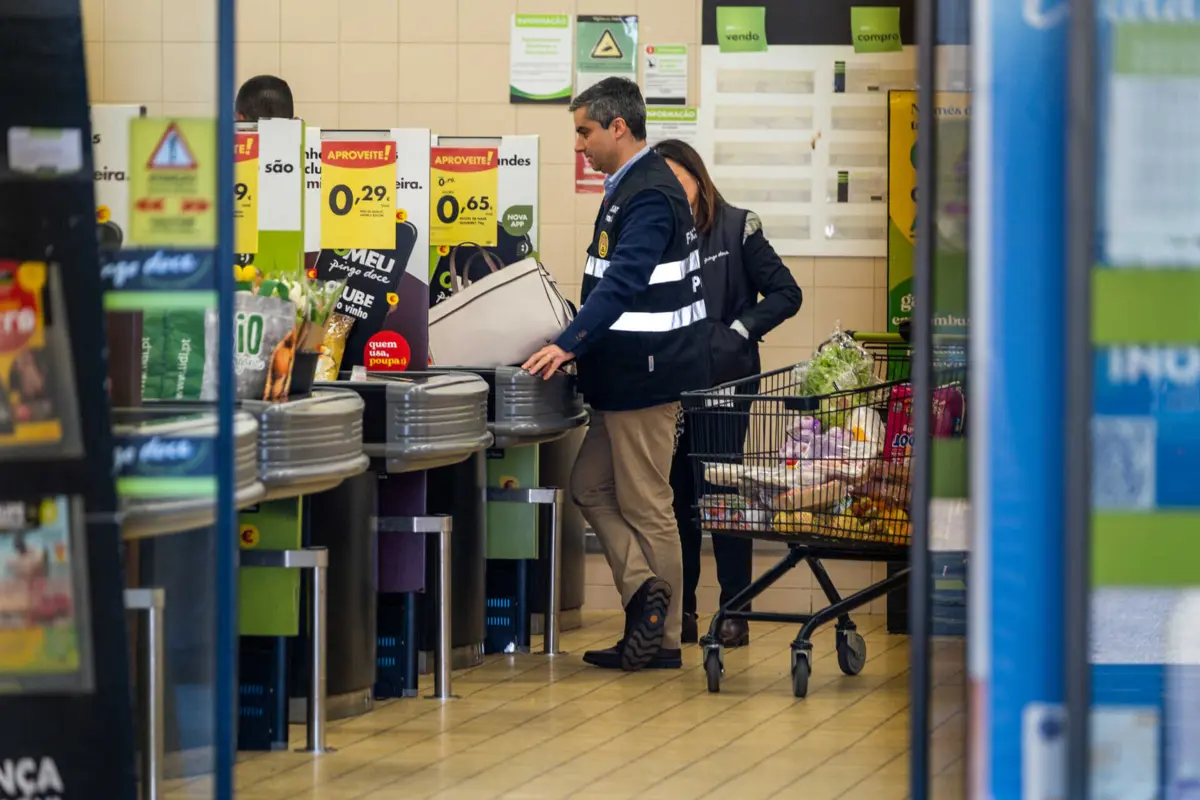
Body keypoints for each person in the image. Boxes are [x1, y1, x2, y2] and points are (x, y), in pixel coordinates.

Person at [523, 79, 709, 671]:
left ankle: (665, 639)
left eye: (585, 132)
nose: (580, 144)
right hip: (626, 374)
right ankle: (645, 595)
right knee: (590, 487)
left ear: (617, 127)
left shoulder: (650, 194)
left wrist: (568, 343)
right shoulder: (631, 187)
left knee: (649, 503)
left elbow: (624, 282)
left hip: (644, 376)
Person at [652, 138, 802, 648]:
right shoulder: (657, 231)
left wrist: (740, 329)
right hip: (671, 383)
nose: (672, 188)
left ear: (697, 175)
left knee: (720, 494)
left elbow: (786, 292)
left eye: (678, 176)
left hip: (725, 383)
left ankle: (735, 610)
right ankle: (686, 611)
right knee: (676, 498)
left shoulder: (738, 225)